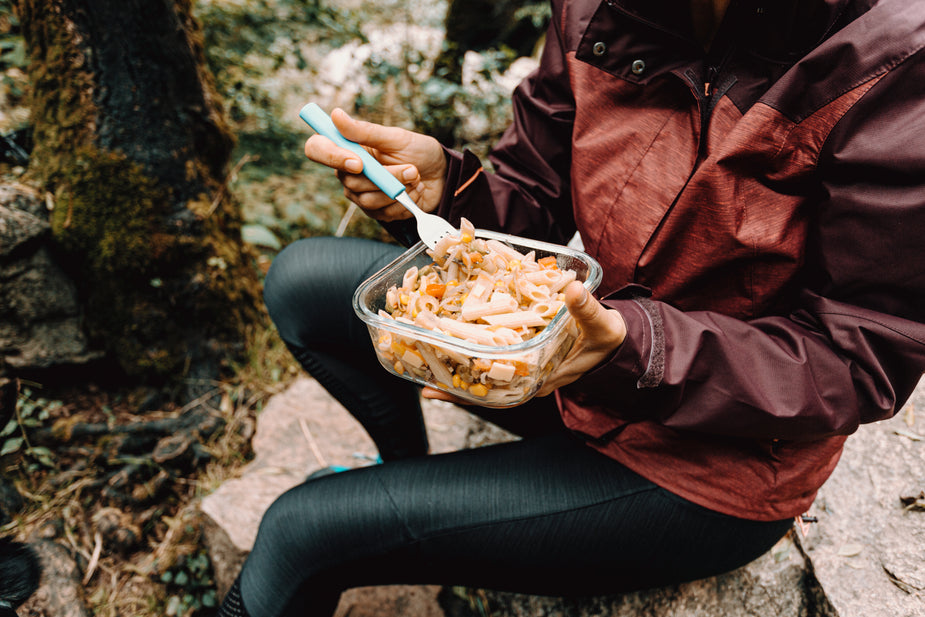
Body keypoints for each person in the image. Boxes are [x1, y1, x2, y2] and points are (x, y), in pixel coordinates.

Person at [218, 0, 925, 615]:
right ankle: (403, 473)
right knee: (303, 280)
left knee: (301, 531)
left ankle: (384, 511)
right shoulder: (596, 6)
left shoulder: (890, 60)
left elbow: (857, 358)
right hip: (572, 371)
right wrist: (450, 195)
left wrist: (632, 348)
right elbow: (533, 198)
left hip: (708, 465)